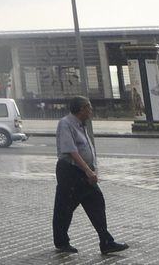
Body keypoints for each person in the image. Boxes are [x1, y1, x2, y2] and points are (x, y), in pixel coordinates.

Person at [53, 96, 127, 255]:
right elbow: (71, 150)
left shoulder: (81, 124)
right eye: (89, 107)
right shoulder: (66, 123)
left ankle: (106, 241)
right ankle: (61, 242)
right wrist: (88, 170)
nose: (91, 110)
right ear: (82, 109)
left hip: (83, 172)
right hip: (71, 172)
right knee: (65, 207)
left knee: (96, 203)